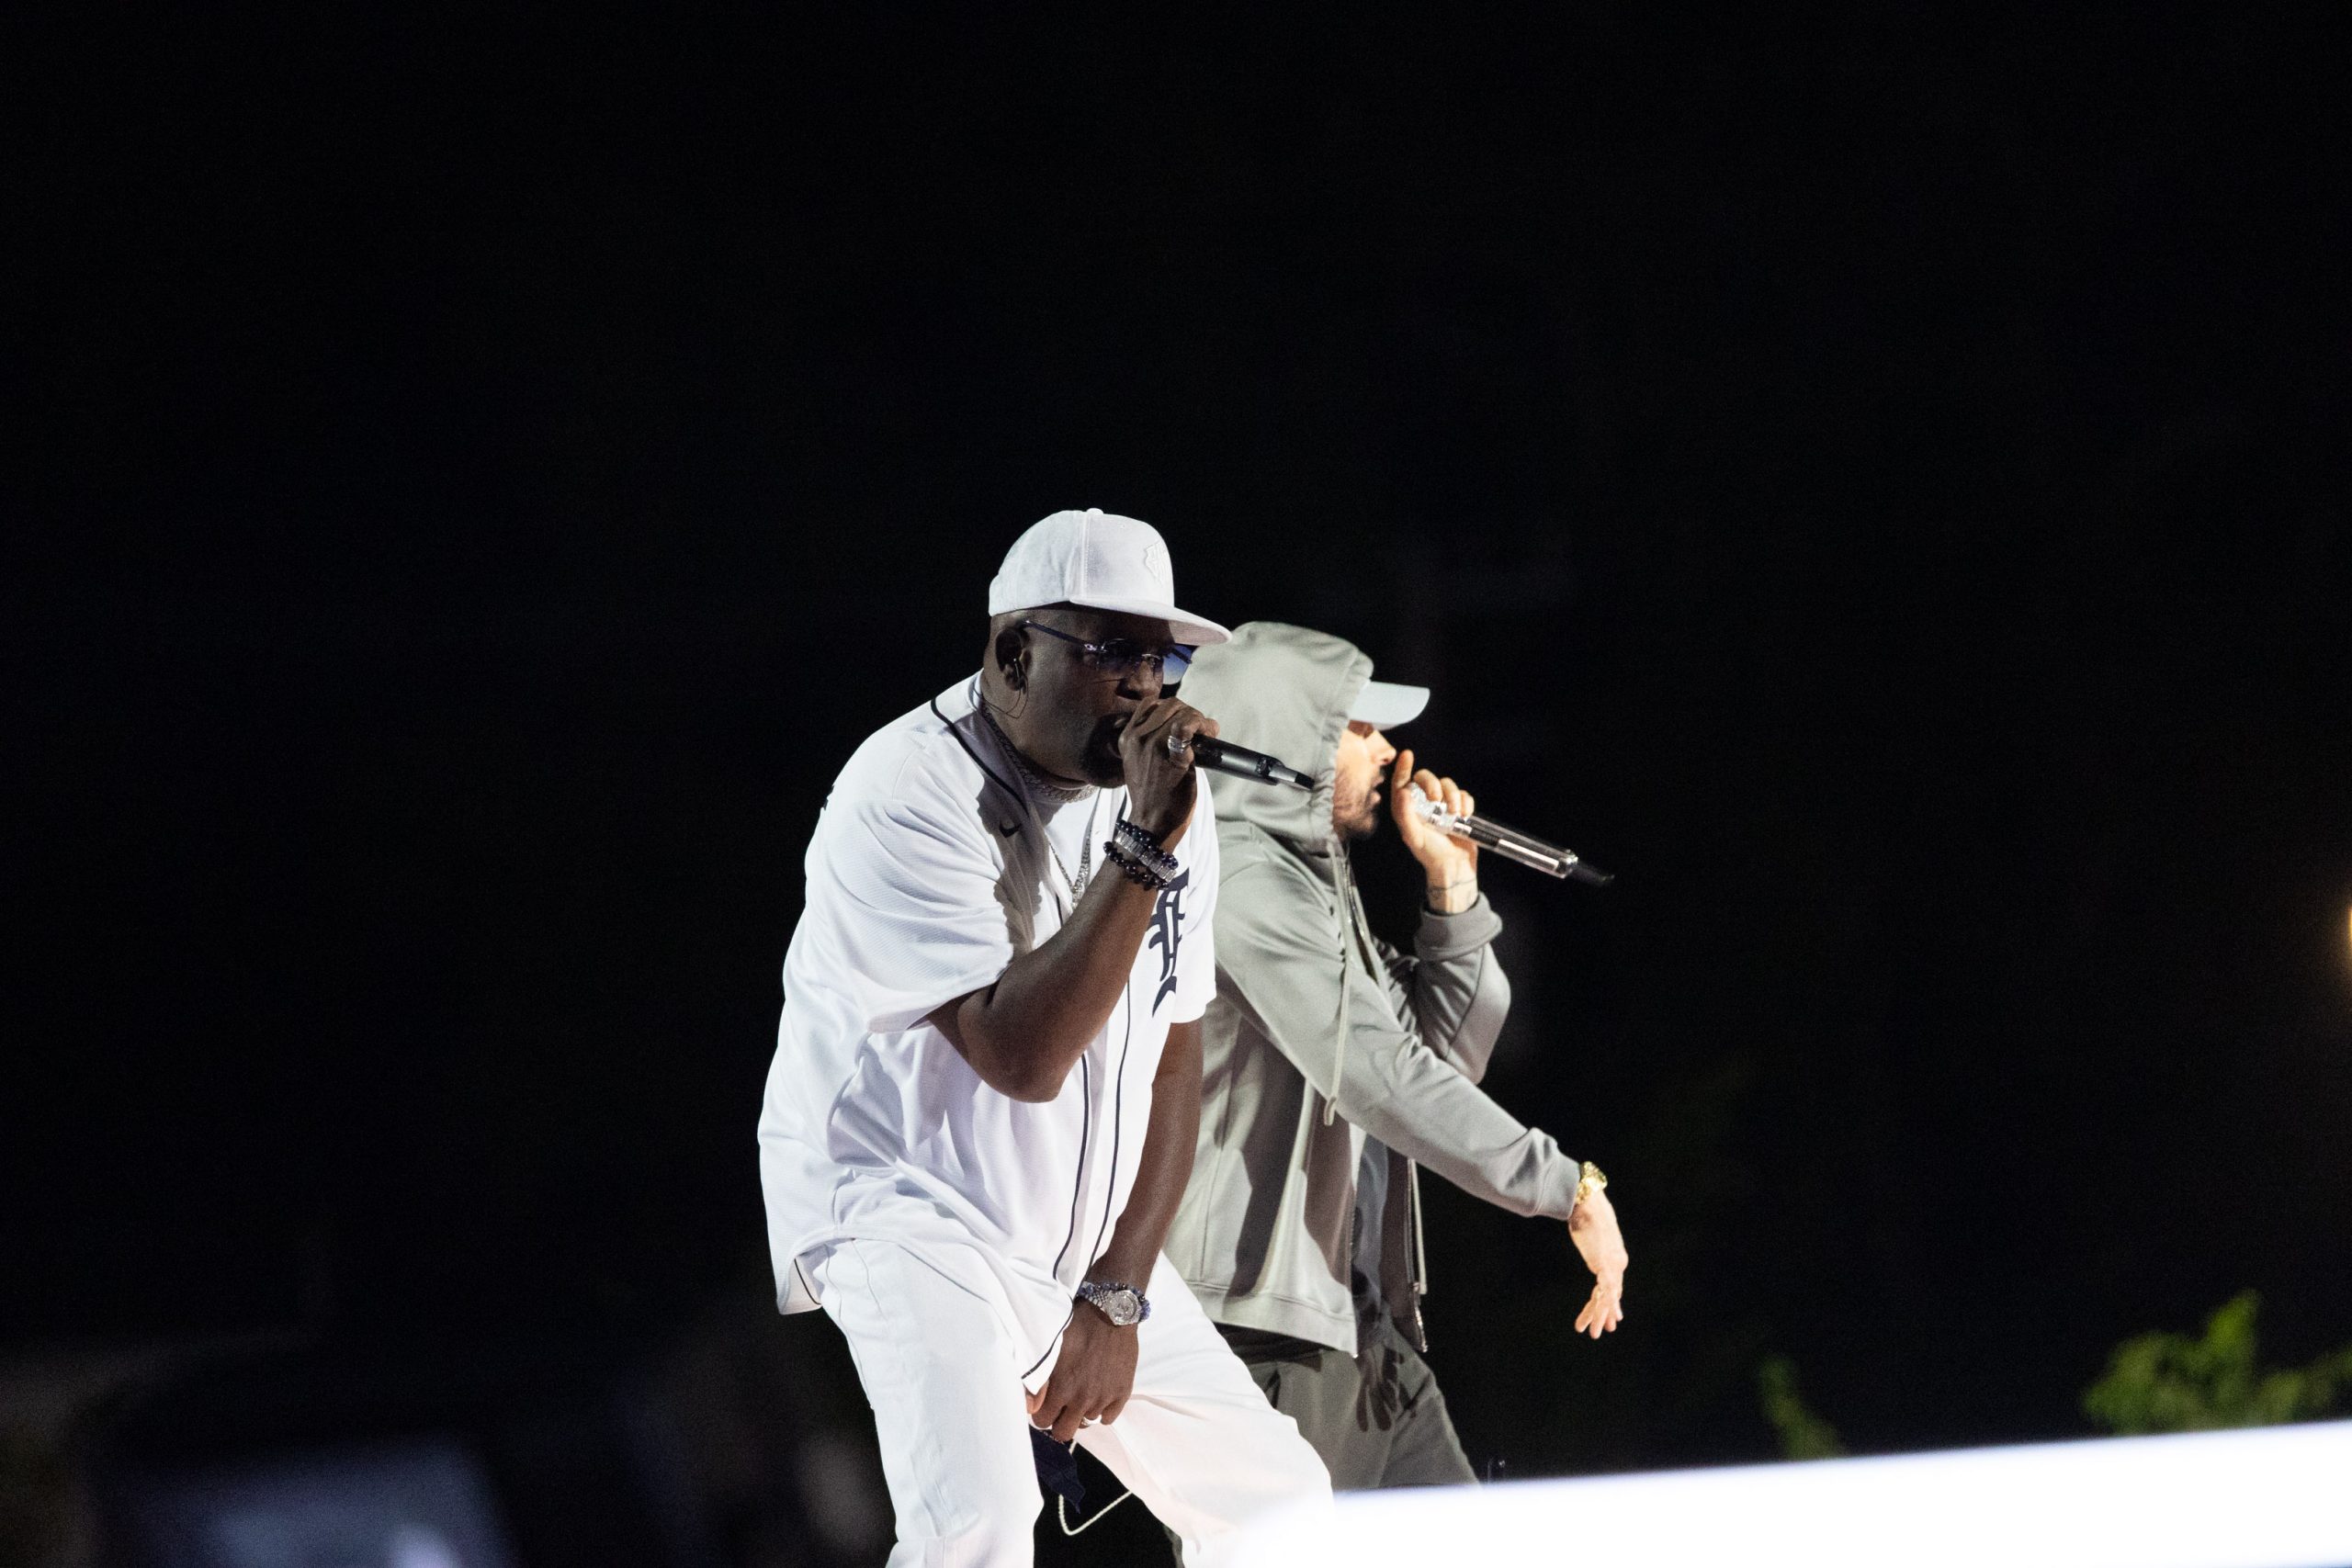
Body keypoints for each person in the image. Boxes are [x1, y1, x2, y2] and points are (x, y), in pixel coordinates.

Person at [757, 513, 1332, 1566]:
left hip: (1071, 1245)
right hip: (903, 1209)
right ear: (1016, 652)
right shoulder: (904, 793)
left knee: (1282, 1506)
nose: (1146, 687)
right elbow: (1019, 1057)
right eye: (1112, 652)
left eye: (1164, 657)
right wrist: (1145, 845)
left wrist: (1117, 1292)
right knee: (976, 1521)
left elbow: (1175, 1047)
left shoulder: (1163, 805)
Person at [1162, 620, 1629, 1490]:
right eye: (1360, 727)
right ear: (1286, 740)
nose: (1388, 750)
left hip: (1356, 1326)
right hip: (1264, 1331)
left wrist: (1452, 888)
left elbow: (1439, 1062)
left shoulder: (1312, 880)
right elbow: (1385, 1077)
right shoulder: (1239, 881)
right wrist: (1565, 1186)